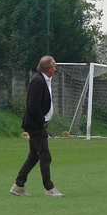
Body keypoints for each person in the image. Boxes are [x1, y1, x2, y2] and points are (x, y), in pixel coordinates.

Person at [10, 56, 65, 198]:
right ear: (48, 68)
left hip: (38, 123)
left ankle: (18, 185)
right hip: (36, 125)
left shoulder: (44, 80)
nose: (55, 69)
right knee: (45, 156)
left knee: (34, 156)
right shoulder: (38, 81)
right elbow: (33, 106)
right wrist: (42, 122)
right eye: (54, 66)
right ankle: (49, 188)